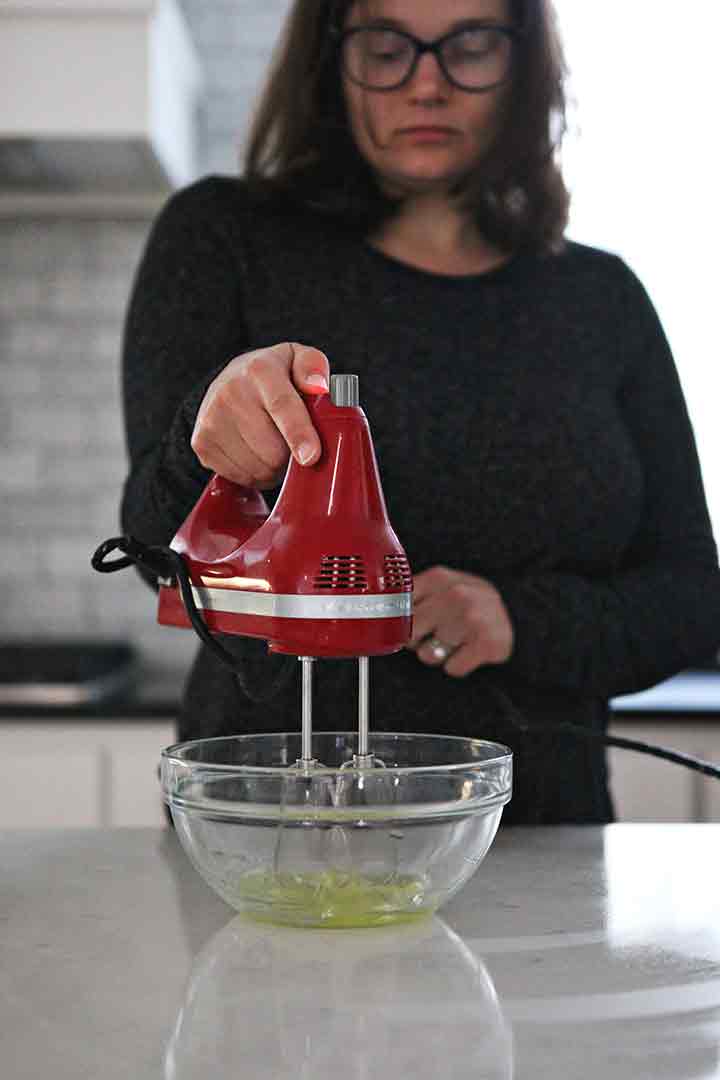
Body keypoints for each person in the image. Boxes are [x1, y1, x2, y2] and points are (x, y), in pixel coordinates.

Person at [120, 0, 720, 824]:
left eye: (470, 45)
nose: (428, 84)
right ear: (331, 59)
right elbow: (157, 550)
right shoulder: (221, 239)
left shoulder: (601, 301)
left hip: (543, 841)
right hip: (267, 832)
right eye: (386, 45)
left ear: (525, 63)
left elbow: (689, 596)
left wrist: (520, 619)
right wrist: (206, 443)